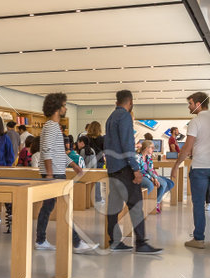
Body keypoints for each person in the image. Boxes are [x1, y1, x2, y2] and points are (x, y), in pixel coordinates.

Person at [34, 93, 97, 254]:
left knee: (49, 208)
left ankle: (41, 240)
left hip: (55, 172)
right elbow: (47, 150)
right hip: (54, 174)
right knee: (63, 207)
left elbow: (58, 152)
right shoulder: (51, 126)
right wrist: (49, 174)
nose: (66, 108)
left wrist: (73, 165)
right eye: (64, 105)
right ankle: (76, 243)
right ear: (57, 108)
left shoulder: (52, 126)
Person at [104, 90, 161, 255]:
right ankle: (141, 243)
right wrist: (136, 169)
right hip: (124, 169)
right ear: (130, 102)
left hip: (113, 168)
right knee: (136, 206)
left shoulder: (111, 117)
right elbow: (127, 145)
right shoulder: (125, 117)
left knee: (114, 206)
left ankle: (114, 241)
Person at [172, 91, 210, 248]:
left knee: (198, 203)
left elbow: (187, 148)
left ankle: (199, 239)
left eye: (190, 103)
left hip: (200, 168)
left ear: (198, 104)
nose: (189, 107)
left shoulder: (195, 122)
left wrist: (176, 165)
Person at [0, 117, 16, 229]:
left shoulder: (5, 138)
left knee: (5, 194)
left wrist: (6, 168)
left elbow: (10, 156)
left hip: (3, 169)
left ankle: (10, 214)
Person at [139, 139, 174, 213]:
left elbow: (151, 169)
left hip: (149, 175)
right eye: (152, 147)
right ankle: (151, 203)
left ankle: (156, 201)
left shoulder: (149, 157)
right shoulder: (138, 157)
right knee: (154, 184)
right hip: (141, 176)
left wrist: (155, 178)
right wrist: (151, 178)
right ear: (146, 148)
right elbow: (140, 171)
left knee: (170, 183)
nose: (153, 149)